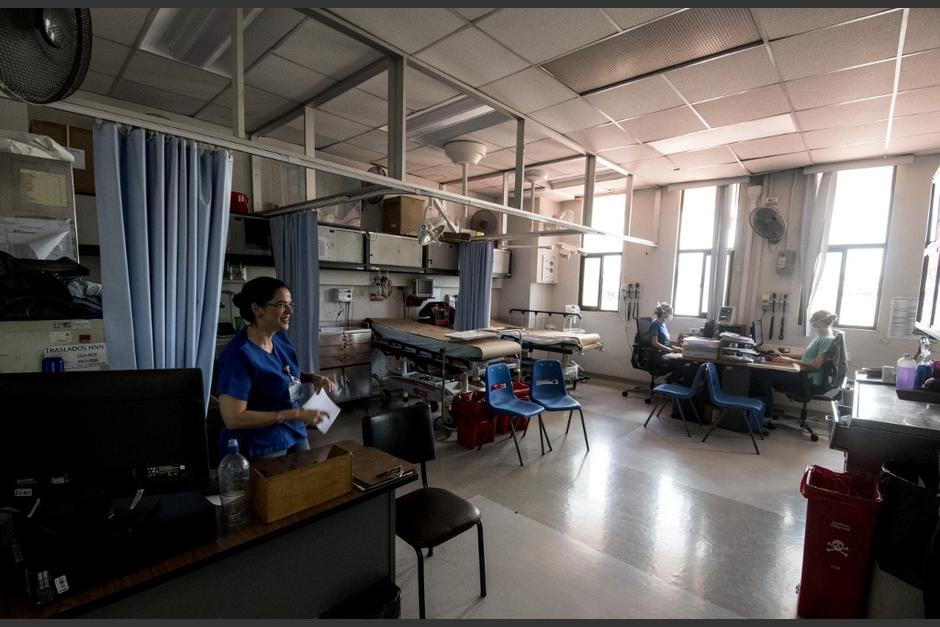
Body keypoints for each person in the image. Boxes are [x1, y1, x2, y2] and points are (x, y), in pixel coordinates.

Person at [217, 277, 335, 460]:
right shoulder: (239, 355)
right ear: (257, 309)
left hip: (294, 431)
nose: (289, 311)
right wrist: (293, 413)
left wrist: (311, 377)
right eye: (281, 304)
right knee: (279, 487)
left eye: (290, 304)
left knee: (307, 481)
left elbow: (281, 372)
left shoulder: (279, 338)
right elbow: (233, 418)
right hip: (263, 444)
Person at [749, 309, 838, 420]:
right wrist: (783, 355)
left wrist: (789, 361)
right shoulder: (822, 337)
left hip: (807, 380)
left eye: (813, 320)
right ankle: (764, 411)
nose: (811, 323)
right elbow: (805, 355)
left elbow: (816, 365)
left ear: (821, 322)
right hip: (804, 375)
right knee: (766, 372)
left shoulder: (827, 339)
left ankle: (764, 415)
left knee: (763, 376)